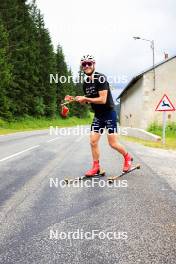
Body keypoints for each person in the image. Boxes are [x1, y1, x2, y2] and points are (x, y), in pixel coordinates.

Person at [76, 54, 133, 176]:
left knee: (112, 143)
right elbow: (90, 100)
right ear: (82, 67)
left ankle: (128, 157)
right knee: (93, 141)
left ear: (93, 65)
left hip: (109, 114)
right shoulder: (86, 84)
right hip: (98, 115)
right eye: (84, 64)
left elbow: (102, 99)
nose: (86, 66)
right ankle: (96, 167)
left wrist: (85, 98)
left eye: (89, 63)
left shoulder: (100, 78)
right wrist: (81, 100)